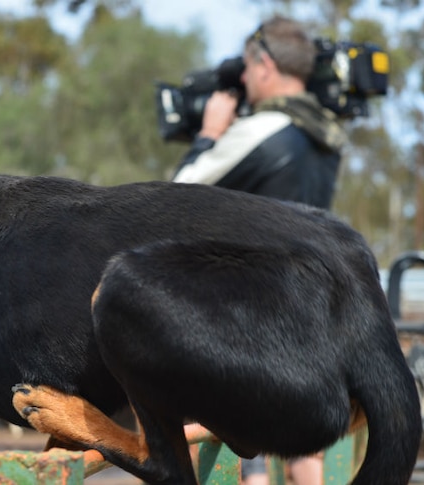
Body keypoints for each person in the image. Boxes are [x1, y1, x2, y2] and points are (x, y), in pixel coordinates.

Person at [171, 16, 347, 485]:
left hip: (250, 309)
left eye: (247, 71)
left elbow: (179, 192)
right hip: (309, 308)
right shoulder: (326, 136)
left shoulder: (261, 128)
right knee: (305, 450)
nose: (243, 82)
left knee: (236, 447)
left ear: (266, 65)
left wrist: (209, 134)